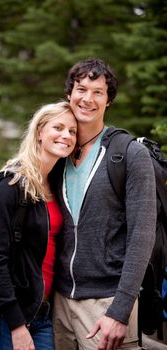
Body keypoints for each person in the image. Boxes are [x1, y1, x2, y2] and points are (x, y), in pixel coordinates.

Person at [52, 58, 157, 350]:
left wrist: (120, 311)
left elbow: (142, 236)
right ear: (69, 94)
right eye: (81, 89)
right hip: (59, 302)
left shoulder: (130, 155)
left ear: (108, 100)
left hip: (107, 303)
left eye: (98, 92)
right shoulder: (59, 154)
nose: (87, 98)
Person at [0, 101, 77, 350]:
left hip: (42, 313)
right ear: (40, 132)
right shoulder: (11, 186)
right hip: (6, 316)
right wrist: (16, 325)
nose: (66, 135)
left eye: (72, 131)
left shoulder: (57, 187)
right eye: (58, 127)